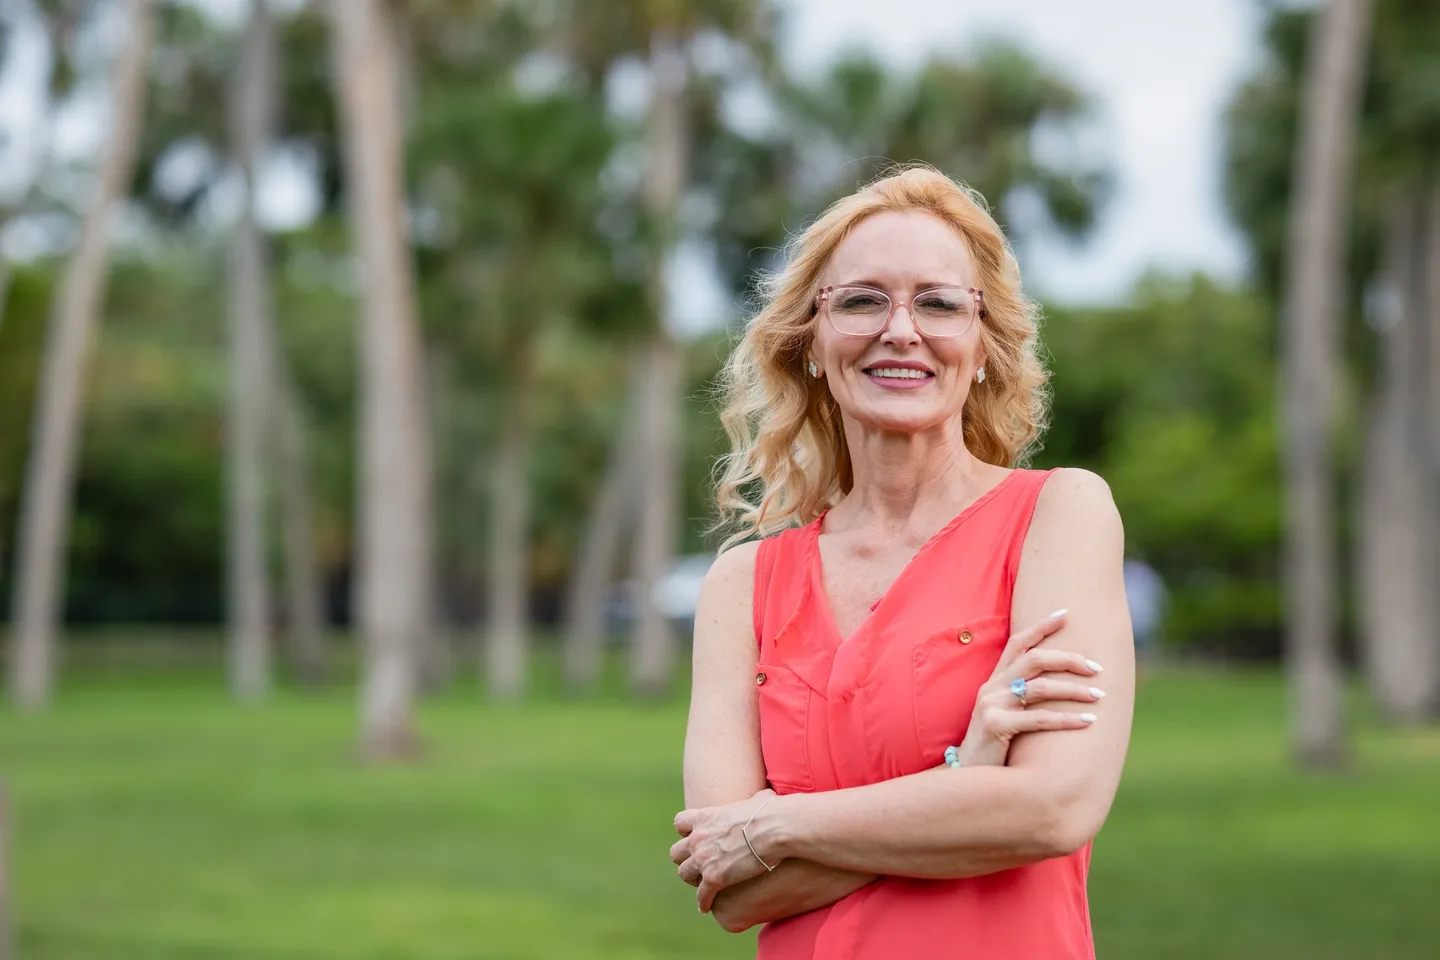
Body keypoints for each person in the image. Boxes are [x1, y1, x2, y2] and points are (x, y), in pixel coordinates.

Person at [668, 166, 1134, 959]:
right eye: (861, 300)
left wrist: (780, 823)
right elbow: (737, 891)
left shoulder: (1059, 515)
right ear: (812, 344)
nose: (901, 330)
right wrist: (967, 778)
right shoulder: (740, 587)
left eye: (939, 303)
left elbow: (1053, 809)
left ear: (983, 346)